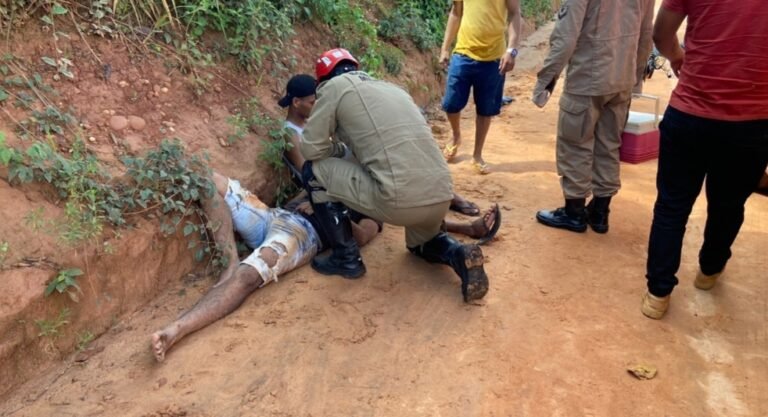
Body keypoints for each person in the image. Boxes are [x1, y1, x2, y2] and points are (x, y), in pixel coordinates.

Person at [150, 172, 502, 361]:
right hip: (272, 214)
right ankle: (228, 259)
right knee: (209, 178)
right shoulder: (334, 168)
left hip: (301, 233)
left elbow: (365, 235)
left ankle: (177, 328)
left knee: (249, 276)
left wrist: (328, 213)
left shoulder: (374, 203)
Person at [299, 48, 490, 302]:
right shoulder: (393, 89)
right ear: (356, 68)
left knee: (312, 169)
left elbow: (311, 148)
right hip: (442, 194)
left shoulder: (333, 88)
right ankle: (458, 254)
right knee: (422, 244)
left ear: (322, 81)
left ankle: (346, 258)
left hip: (399, 200)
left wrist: (338, 148)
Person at [641, 0, 768, 319]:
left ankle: (658, 294)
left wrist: (678, 57)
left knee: (672, 206)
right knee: (729, 204)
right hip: (752, 122)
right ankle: (709, 270)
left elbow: (661, 34)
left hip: (690, 115)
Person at [278, 73, 485, 216]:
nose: (318, 106)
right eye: (313, 102)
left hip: (343, 171)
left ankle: (449, 197)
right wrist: (318, 200)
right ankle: (455, 218)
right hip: (333, 180)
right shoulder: (290, 133)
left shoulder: (312, 121)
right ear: (296, 103)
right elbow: (308, 171)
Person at [532, 0, 654, 233]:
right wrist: (635, 79)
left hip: (587, 77)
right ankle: (599, 212)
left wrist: (546, 79)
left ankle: (574, 213)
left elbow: (566, 36)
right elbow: (646, 34)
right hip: (622, 80)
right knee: (609, 145)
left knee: (575, 143)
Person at [439, 0, 521, 175]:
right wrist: (445, 49)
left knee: (485, 110)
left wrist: (511, 50)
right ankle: (456, 136)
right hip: (463, 53)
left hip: (494, 58)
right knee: (451, 103)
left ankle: (477, 155)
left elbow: (514, 13)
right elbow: (456, 12)